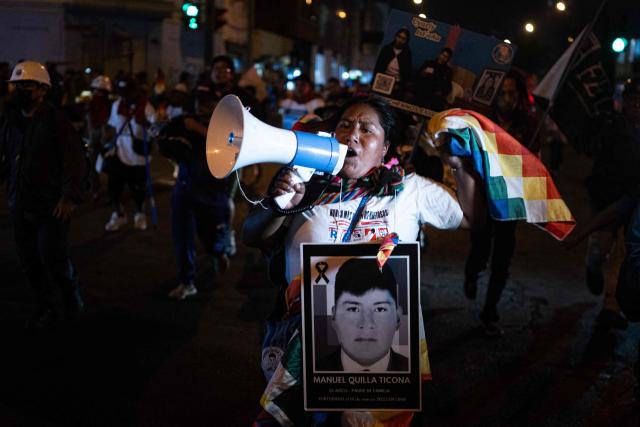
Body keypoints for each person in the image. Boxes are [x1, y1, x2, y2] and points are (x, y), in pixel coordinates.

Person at [243, 97, 483, 426]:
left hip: (380, 344)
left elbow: (470, 217)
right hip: (304, 338)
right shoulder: (307, 182)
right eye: (344, 125)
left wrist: (460, 165)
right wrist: (280, 203)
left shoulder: (408, 189)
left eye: (366, 129)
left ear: (385, 148)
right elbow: (254, 235)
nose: (352, 135)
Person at [0, 61, 87, 330]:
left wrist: (69, 197)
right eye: (16, 85)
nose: (20, 90)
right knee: (28, 260)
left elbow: (75, 162)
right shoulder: (11, 120)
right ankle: (45, 306)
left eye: (26, 85)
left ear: (42, 90)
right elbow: (5, 158)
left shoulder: (56, 122)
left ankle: (71, 300)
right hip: (20, 203)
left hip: (50, 206)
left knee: (53, 257)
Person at [462, 71, 538, 336]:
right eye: (503, 93)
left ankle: (490, 309)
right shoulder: (483, 122)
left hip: (511, 199)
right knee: (480, 247)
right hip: (484, 195)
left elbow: (534, 160)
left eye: (512, 94)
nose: (508, 98)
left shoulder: (528, 125)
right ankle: (471, 274)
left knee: (503, 256)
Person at [565, 78, 640, 329]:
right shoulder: (613, 127)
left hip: (631, 204)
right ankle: (593, 267)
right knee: (600, 249)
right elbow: (592, 149)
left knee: (625, 252)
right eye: (633, 99)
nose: (637, 105)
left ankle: (610, 307)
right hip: (607, 197)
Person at [161, 85, 234, 300]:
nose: (202, 107)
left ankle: (218, 253)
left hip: (213, 193)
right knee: (182, 236)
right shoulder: (185, 120)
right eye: (198, 102)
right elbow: (163, 138)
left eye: (208, 102)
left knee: (211, 237)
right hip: (184, 189)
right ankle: (187, 281)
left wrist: (198, 130)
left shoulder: (228, 124)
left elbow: (233, 144)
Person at [317, 258, 408, 372]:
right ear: (334, 317)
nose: (367, 323)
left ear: (398, 318)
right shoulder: (313, 370)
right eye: (353, 309)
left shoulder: (414, 372)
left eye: (379, 309)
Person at [103, 77, 156, 231]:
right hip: (119, 154)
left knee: (138, 190)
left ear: (136, 92)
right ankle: (119, 215)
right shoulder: (117, 105)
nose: (124, 96)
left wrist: (145, 123)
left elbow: (155, 132)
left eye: (128, 93)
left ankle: (140, 214)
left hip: (138, 157)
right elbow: (112, 126)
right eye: (122, 93)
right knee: (113, 189)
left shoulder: (146, 107)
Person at [86, 74, 114, 198]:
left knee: (92, 165)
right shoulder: (108, 103)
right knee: (110, 164)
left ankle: (96, 190)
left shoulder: (91, 102)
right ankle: (110, 190)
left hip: (94, 136)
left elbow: (88, 120)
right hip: (106, 137)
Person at [373, 28, 413, 96]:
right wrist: (373, 82)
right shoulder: (387, 49)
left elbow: (407, 73)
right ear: (395, 36)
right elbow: (378, 66)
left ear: (406, 41)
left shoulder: (407, 54)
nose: (400, 40)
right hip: (382, 80)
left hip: (397, 85)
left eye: (403, 39)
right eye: (399, 37)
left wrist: (401, 86)